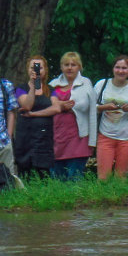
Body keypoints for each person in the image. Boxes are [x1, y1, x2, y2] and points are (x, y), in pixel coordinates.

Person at [94, 55, 128, 180]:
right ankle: (103, 199)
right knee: (103, 177)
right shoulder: (102, 84)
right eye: (118, 67)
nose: (121, 71)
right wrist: (103, 107)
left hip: (127, 137)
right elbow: (90, 108)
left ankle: (119, 199)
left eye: (124, 68)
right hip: (105, 134)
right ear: (113, 69)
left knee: (121, 178)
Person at [49, 52, 96, 180]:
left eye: (73, 65)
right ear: (61, 67)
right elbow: (47, 107)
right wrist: (61, 105)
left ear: (79, 67)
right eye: (66, 65)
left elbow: (91, 111)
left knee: (74, 177)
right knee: (57, 178)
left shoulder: (86, 83)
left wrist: (92, 140)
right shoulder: (53, 84)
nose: (70, 68)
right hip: (57, 136)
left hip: (78, 137)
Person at [13, 55, 59, 179]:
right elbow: (27, 105)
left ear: (45, 70)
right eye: (33, 67)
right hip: (26, 139)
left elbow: (56, 108)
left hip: (44, 139)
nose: (37, 70)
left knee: (43, 175)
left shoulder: (50, 90)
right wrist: (33, 86)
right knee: (25, 174)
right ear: (28, 70)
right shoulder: (20, 89)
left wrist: (34, 114)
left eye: (40, 67)